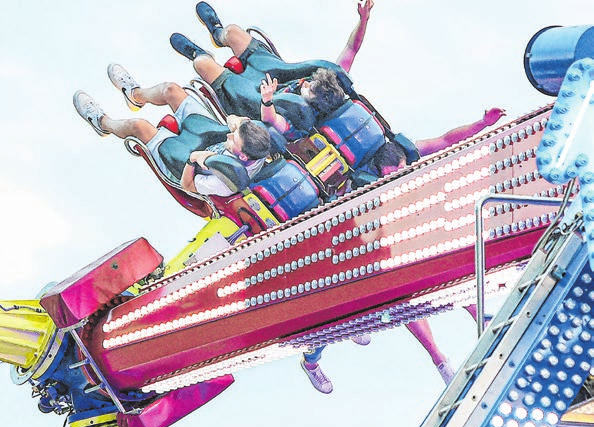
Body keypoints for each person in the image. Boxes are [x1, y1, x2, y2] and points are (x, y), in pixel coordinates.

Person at [299, 108, 508, 393]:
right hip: (353, 251)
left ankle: (475, 317)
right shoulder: (357, 185)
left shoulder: (403, 152)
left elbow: (445, 140)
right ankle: (311, 362)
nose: (396, 178)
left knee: (432, 269)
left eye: (400, 172)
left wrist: (482, 123)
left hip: (389, 240)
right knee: (336, 319)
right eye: (390, 176)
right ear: (377, 170)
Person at [74, 64, 275, 197]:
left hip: (183, 162)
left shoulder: (222, 183)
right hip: (205, 134)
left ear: (243, 158)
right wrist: (235, 121)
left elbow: (188, 185)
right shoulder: (254, 138)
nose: (229, 137)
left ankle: (102, 122)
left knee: (139, 126)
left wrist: (193, 158)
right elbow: (236, 123)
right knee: (171, 90)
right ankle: (135, 95)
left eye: (233, 141)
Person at [168, 1, 372, 129]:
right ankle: (218, 33)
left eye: (309, 90)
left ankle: (199, 53)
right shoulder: (324, 86)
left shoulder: (299, 119)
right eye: (310, 83)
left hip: (253, 98)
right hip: (275, 75)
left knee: (202, 64)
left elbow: (275, 121)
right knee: (233, 32)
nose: (306, 84)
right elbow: (351, 49)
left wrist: (267, 100)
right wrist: (364, 20)